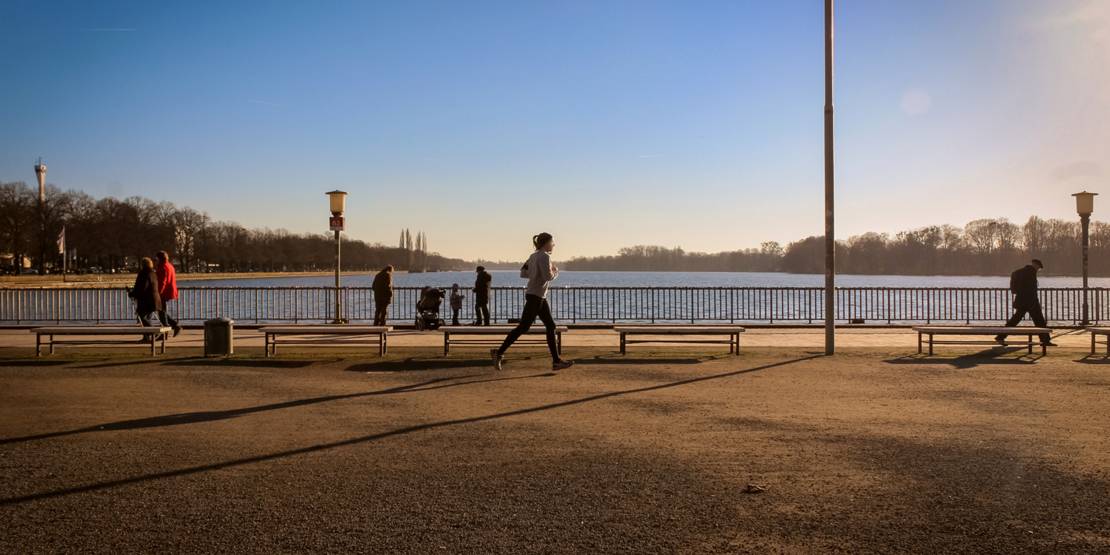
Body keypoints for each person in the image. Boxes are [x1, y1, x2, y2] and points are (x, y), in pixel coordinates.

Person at [492, 233, 574, 371]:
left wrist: (535, 274)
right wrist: (556, 271)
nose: (554, 245)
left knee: (550, 326)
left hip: (537, 295)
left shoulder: (533, 255)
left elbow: (523, 273)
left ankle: (556, 361)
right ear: (546, 243)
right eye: (552, 242)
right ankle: (498, 352)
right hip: (536, 296)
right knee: (524, 327)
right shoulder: (545, 256)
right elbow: (548, 276)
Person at [996, 259, 1055, 347]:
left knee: (1014, 320)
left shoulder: (1019, 272)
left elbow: (1017, 288)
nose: (1038, 270)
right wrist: (1033, 301)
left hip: (1021, 301)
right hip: (1031, 302)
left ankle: (1001, 336)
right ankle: (1045, 340)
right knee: (1040, 321)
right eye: (1038, 268)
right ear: (1035, 265)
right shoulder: (1031, 273)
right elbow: (1031, 289)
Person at [128, 257, 163, 327]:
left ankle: (152, 332)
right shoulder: (153, 273)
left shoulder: (143, 273)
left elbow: (142, 287)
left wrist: (133, 293)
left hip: (146, 300)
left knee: (142, 316)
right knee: (147, 317)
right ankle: (147, 335)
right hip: (154, 299)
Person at [154, 251, 182, 337]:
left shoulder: (162, 267)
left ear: (159, 259)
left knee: (161, 311)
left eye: (156, 259)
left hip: (164, 292)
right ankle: (173, 326)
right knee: (162, 311)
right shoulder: (170, 266)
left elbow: (163, 282)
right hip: (169, 291)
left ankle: (167, 330)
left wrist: (158, 293)